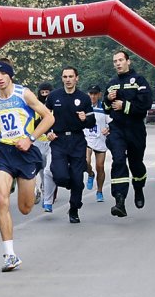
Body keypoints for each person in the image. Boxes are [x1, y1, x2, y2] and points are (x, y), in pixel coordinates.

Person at [0, 58, 54, 271]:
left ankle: (35, 187)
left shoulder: (24, 94)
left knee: (25, 208)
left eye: (3, 74)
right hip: (3, 152)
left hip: (25, 152)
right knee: (1, 199)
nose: (0, 78)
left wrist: (30, 138)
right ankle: (9, 255)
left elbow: (48, 118)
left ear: (10, 75)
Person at [103, 50, 153, 217]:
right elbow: (105, 108)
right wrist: (108, 100)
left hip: (135, 129)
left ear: (128, 61)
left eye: (120, 60)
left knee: (136, 164)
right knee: (118, 159)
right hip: (117, 128)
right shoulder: (111, 83)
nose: (117, 63)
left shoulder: (139, 81)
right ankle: (120, 200)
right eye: (115, 61)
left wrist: (124, 106)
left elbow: (145, 104)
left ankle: (138, 188)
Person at [45, 67, 95, 224]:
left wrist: (84, 119)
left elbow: (91, 122)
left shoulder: (84, 98)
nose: (68, 79)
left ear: (76, 78)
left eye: (71, 76)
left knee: (77, 178)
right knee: (60, 176)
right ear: (62, 79)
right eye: (65, 76)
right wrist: (48, 132)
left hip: (77, 141)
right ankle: (68, 182)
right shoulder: (54, 97)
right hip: (58, 140)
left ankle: (74, 209)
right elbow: (44, 117)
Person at [84, 85, 109, 202]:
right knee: (86, 161)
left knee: (100, 167)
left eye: (95, 94)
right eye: (91, 94)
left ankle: (99, 191)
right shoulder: (84, 106)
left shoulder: (104, 107)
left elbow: (111, 122)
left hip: (100, 140)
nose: (93, 96)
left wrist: (108, 129)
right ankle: (90, 174)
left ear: (99, 95)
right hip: (87, 139)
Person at [34, 83, 56, 212]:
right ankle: (39, 191)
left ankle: (47, 200)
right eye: (42, 93)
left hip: (52, 142)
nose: (45, 95)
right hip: (37, 141)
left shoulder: (56, 105)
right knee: (40, 171)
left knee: (49, 171)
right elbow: (33, 123)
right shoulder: (35, 106)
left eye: (47, 93)